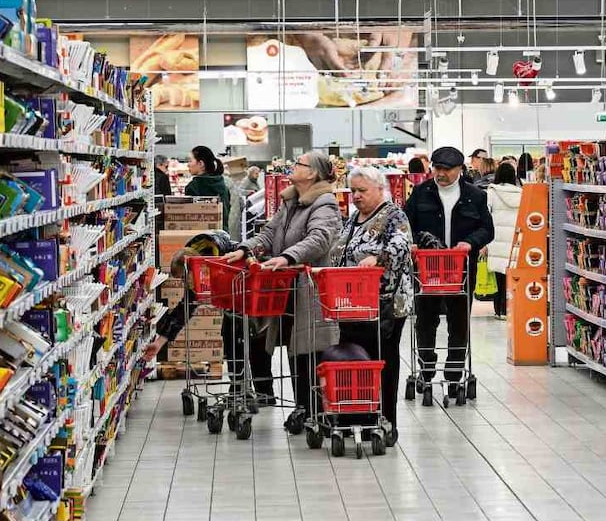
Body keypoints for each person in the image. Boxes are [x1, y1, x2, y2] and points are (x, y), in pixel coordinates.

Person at [223, 150, 342, 433]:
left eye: (299, 164)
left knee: (307, 349)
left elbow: (320, 238)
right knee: (292, 346)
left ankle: (312, 410)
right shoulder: (290, 202)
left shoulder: (324, 204)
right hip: (285, 287)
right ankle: (303, 408)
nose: (293, 166)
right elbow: (268, 233)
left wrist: (288, 257)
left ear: (313, 173)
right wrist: (245, 248)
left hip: (310, 288)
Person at [330, 166, 413, 446]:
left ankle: (386, 421)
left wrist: (377, 258)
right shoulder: (354, 219)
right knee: (354, 360)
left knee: (383, 363)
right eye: (353, 190)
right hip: (352, 304)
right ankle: (361, 417)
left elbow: (401, 246)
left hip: (386, 305)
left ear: (380, 189)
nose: (356, 196)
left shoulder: (394, 216)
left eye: (362, 190)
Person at [143, 231, 276, 403]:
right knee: (230, 337)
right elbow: (184, 308)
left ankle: (264, 393)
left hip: (254, 303)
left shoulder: (228, 253)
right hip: (234, 307)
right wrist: (159, 342)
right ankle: (239, 390)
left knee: (254, 341)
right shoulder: (198, 269)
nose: (185, 283)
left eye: (184, 278)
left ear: (189, 269)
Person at [404, 146, 494, 400]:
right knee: (425, 320)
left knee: (459, 321)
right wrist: (411, 242)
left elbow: (487, 229)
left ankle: (455, 372)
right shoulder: (421, 193)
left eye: (446, 169)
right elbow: (405, 222)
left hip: (461, 270)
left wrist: (470, 242)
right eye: (437, 168)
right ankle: (427, 367)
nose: (440, 173)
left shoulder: (475, 196)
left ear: (459, 170)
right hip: (428, 270)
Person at [483, 163, 523, 320]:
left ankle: (499, 310)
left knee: (499, 277)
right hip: (514, 237)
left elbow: (486, 215)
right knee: (512, 276)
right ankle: (510, 309)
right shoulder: (521, 193)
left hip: (496, 237)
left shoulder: (491, 193)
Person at [185, 146, 231, 225]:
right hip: (223, 233)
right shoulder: (222, 184)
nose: (188, 165)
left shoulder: (194, 187)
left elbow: (192, 219)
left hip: (202, 235)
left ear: (201, 164)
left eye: (190, 161)